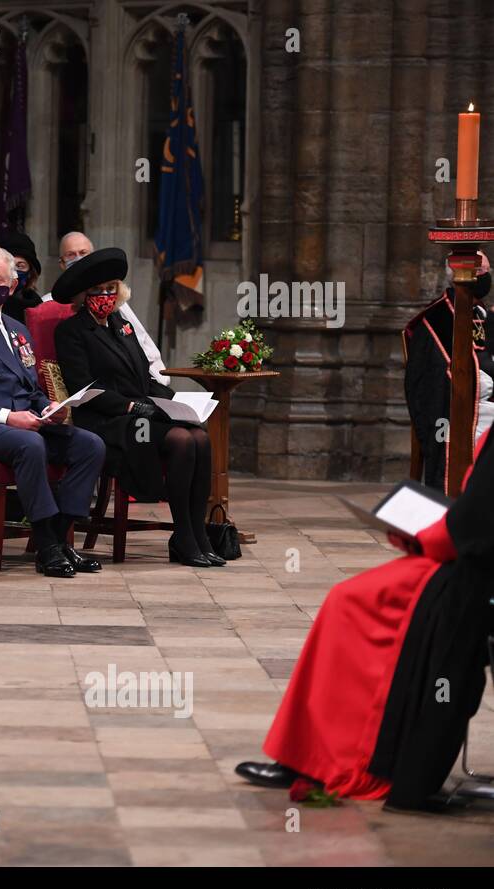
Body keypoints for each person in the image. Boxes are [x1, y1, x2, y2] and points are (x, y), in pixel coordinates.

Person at [236, 431, 494, 812]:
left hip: (475, 572)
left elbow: (476, 520)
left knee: (351, 602)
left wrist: (424, 537)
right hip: (471, 557)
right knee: (347, 598)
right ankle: (307, 754)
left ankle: (333, 758)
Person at [0, 245, 105, 579]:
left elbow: (31, 389)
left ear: (11, 287)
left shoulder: (17, 329)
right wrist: (8, 417)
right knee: (30, 445)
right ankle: (46, 545)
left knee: (89, 445)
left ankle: (61, 536)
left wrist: (48, 407)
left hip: (24, 423)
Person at [52, 247, 224, 567]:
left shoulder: (122, 325)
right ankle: (183, 536)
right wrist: (131, 406)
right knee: (181, 440)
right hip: (106, 420)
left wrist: (177, 404)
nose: (105, 296)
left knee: (199, 435)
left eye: (111, 289)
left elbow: (146, 376)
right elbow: (85, 388)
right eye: (97, 291)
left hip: (141, 413)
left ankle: (197, 534)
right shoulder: (72, 331)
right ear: (83, 295)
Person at [404, 251, 494, 490]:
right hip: (461, 409)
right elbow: (427, 378)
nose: (487, 277)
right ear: (460, 275)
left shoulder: (484, 315)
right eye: (482, 272)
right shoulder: (435, 320)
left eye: (487, 271)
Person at [43, 230, 169, 387]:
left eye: (83, 253)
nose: (105, 295)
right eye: (71, 255)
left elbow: (145, 350)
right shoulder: (54, 311)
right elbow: (83, 384)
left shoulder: (122, 321)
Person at [0, 230, 44, 323]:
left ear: (30, 272)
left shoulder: (37, 306)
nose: (13, 272)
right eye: (9, 264)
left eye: (20, 266)